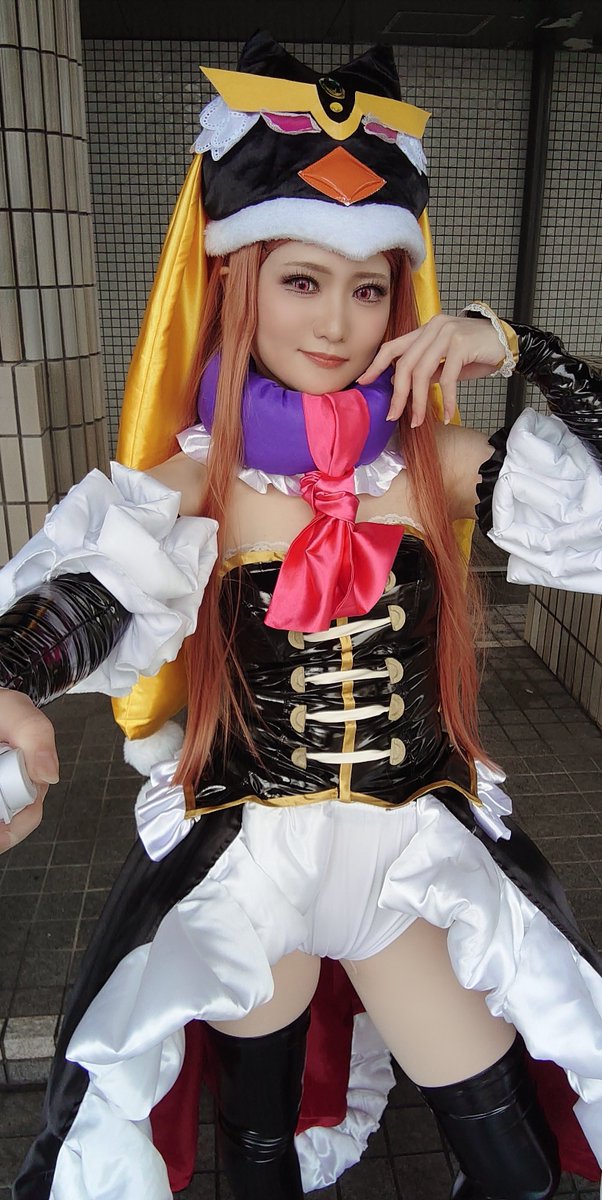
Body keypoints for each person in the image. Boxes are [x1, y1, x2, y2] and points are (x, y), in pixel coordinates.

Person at [1, 31, 602, 1200]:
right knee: (256, 1145)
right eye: (301, 280)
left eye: (367, 288)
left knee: (514, 1161)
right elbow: (89, 593)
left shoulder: (434, 463)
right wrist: (10, 671)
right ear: (237, 282)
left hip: (408, 857)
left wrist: (520, 343)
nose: (335, 324)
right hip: (252, 859)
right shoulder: (205, 477)